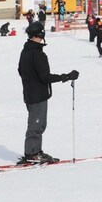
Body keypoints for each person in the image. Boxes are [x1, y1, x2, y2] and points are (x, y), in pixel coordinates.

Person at [17, 22, 78, 165]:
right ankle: (32, 153)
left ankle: (36, 151)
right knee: (36, 125)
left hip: (31, 93)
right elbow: (45, 77)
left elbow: (20, 70)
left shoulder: (25, 51)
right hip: (37, 95)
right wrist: (66, 76)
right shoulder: (37, 53)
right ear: (41, 34)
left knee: (39, 124)